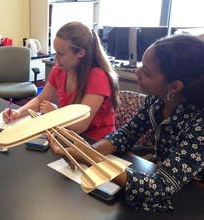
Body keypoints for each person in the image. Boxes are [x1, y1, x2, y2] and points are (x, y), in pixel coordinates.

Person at [48, 34, 204, 211]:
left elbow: (159, 186)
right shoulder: (156, 100)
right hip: (170, 180)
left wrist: (92, 158)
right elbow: (126, 135)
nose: (137, 73)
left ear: (174, 86)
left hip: (194, 194)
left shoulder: (200, 123)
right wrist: (87, 152)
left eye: (146, 72)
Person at [3, 22, 119, 140]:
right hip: (70, 137)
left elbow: (80, 126)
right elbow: (40, 100)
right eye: (55, 52)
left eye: (61, 54)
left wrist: (55, 114)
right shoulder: (60, 70)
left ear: (81, 53)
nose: (55, 58)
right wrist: (18, 112)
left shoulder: (97, 77)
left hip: (97, 144)